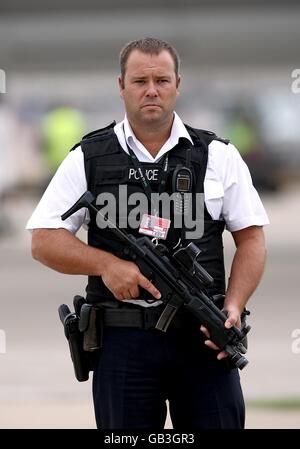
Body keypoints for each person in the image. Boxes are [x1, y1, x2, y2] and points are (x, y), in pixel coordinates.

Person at [26, 37, 269, 429]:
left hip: (203, 339)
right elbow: (43, 239)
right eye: (140, 81)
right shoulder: (88, 157)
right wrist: (106, 264)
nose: (152, 90)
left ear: (178, 84)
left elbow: (252, 239)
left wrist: (234, 307)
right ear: (121, 86)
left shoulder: (218, 155)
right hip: (123, 343)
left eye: (161, 80)